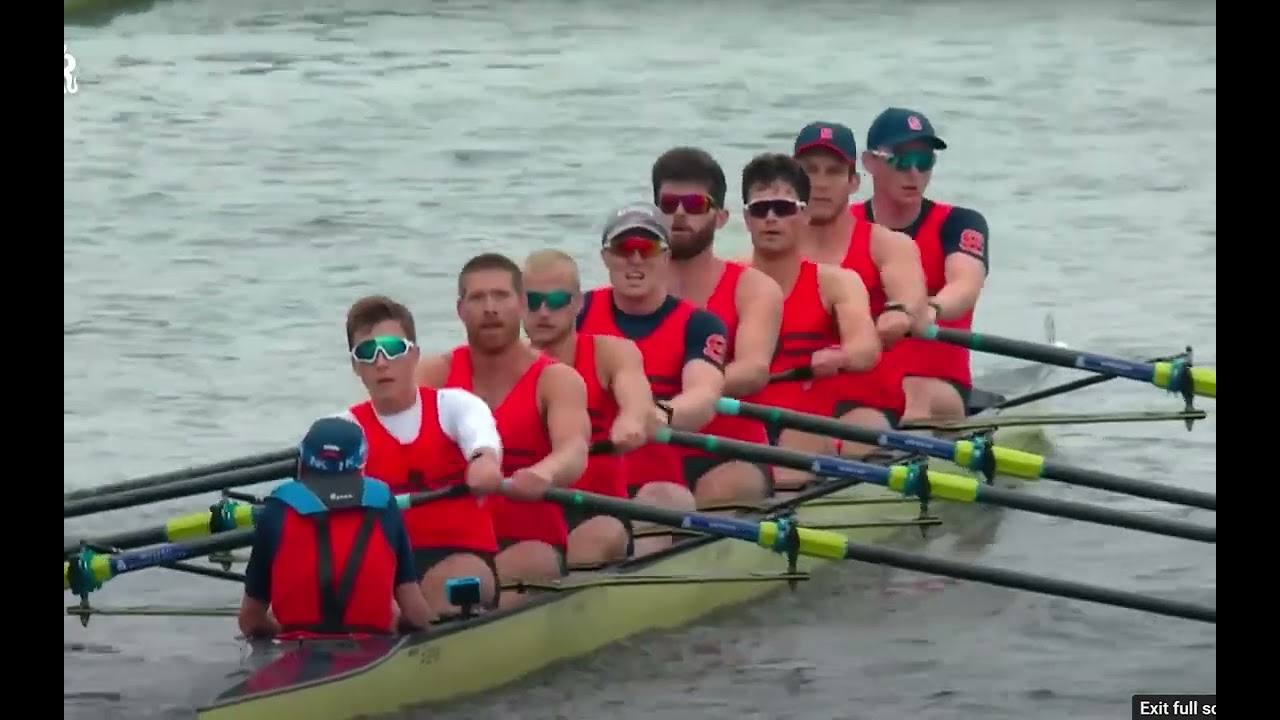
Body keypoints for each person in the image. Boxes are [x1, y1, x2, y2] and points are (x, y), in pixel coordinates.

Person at [416, 253, 591, 602]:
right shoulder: (432, 375)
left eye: (500, 296)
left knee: (498, 571)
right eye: (478, 298)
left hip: (530, 542)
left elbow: (573, 450)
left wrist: (545, 472)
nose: (490, 308)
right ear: (460, 310)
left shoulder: (556, 379)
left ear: (522, 305)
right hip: (451, 546)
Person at [338, 295, 505, 615]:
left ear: (414, 354)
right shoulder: (344, 430)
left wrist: (484, 462)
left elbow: (482, 441)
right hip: (388, 567)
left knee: (432, 593)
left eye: (392, 347)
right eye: (368, 352)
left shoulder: (455, 405)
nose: (381, 362)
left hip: (461, 557)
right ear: (356, 366)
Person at [576, 203, 729, 553]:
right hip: (590, 475)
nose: (635, 260)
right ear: (604, 257)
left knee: (655, 500)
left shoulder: (700, 324)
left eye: (647, 249)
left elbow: (704, 394)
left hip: (662, 479)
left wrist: (659, 414)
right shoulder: (576, 314)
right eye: (622, 249)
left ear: (666, 256)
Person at [736, 153, 881, 489]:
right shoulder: (727, 280)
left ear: (803, 215)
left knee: (801, 437)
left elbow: (866, 347)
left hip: (812, 427)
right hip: (742, 428)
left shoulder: (835, 283)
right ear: (746, 219)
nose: (771, 218)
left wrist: (842, 356)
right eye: (760, 209)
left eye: (783, 209)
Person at [650, 147, 781, 504]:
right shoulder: (633, 291)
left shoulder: (753, 288)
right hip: (651, 452)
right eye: (669, 203)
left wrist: (685, 398)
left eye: (694, 204)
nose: (679, 214)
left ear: (720, 217)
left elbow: (753, 370)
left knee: (710, 494)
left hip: (732, 453)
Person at [790, 121, 931, 442]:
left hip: (867, 402)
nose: (820, 183)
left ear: (853, 182)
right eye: (809, 170)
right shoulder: (772, 249)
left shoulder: (888, 245)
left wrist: (898, 314)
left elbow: (909, 298)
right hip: (791, 396)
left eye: (833, 172)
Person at [238, 416, 432, 640]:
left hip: (295, 656)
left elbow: (250, 621)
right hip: (374, 651)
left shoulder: (277, 507)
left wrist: (279, 631)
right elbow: (417, 615)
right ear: (361, 465)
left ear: (302, 463)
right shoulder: (384, 502)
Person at [522, 248, 655, 566]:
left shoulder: (610, 353)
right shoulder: (503, 368)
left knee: (592, 541)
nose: (543, 312)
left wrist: (632, 420)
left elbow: (636, 396)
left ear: (578, 303)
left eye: (556, 301)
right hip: (530, 517)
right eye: (532, 301)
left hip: (600, 512)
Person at [856, 108, 990, 422]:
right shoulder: (844, 226)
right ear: (869, 162)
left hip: (937, 385)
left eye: (924, 161)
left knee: (914, 392)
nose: (914, 173)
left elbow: (965, 284)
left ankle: (896, 461)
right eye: (902, 160)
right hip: (859, 385)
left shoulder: (959, 223)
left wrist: (930, 310)